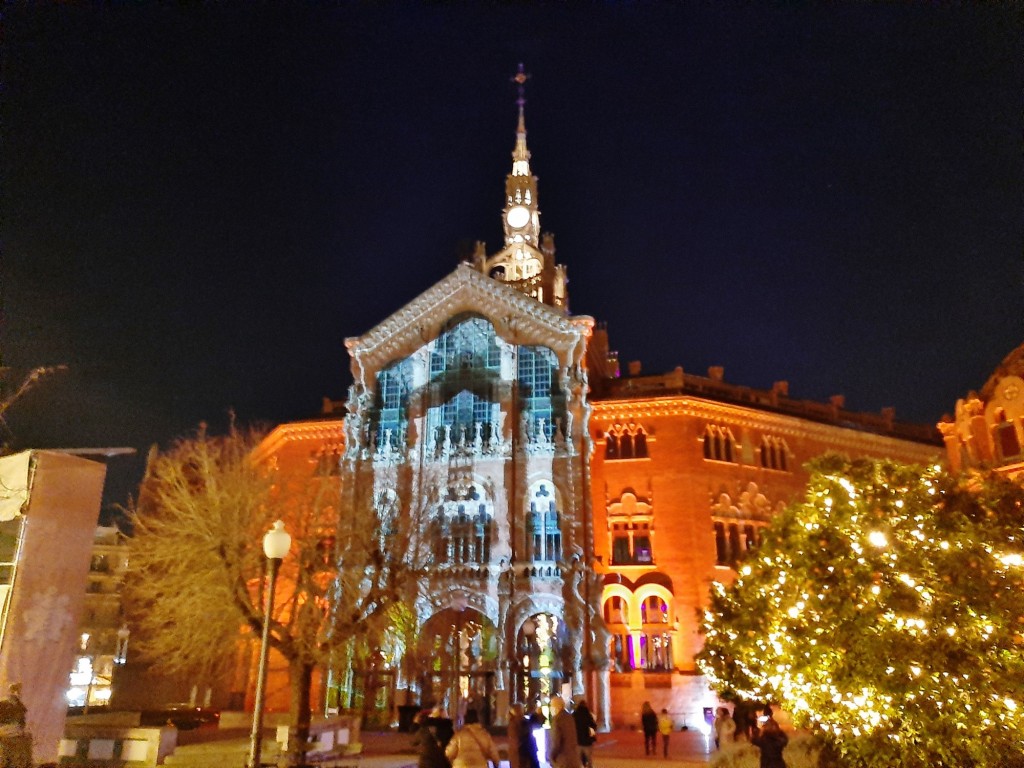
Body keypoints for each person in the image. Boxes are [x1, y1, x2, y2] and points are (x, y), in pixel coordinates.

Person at [547, 696, 583, 768]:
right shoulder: (569, 717)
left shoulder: (557, 720)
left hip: (562, 761)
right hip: (573, 759)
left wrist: (551, 757)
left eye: (551, 706)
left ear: (555, 707)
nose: (550, 709)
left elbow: (556, 742)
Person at [571, 695, 597, 768]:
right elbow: (593, 725)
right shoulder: (588, 714)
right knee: (589, 759)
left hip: (578, 740)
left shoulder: (574, 714)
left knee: (578, 760)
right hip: (587, 741)